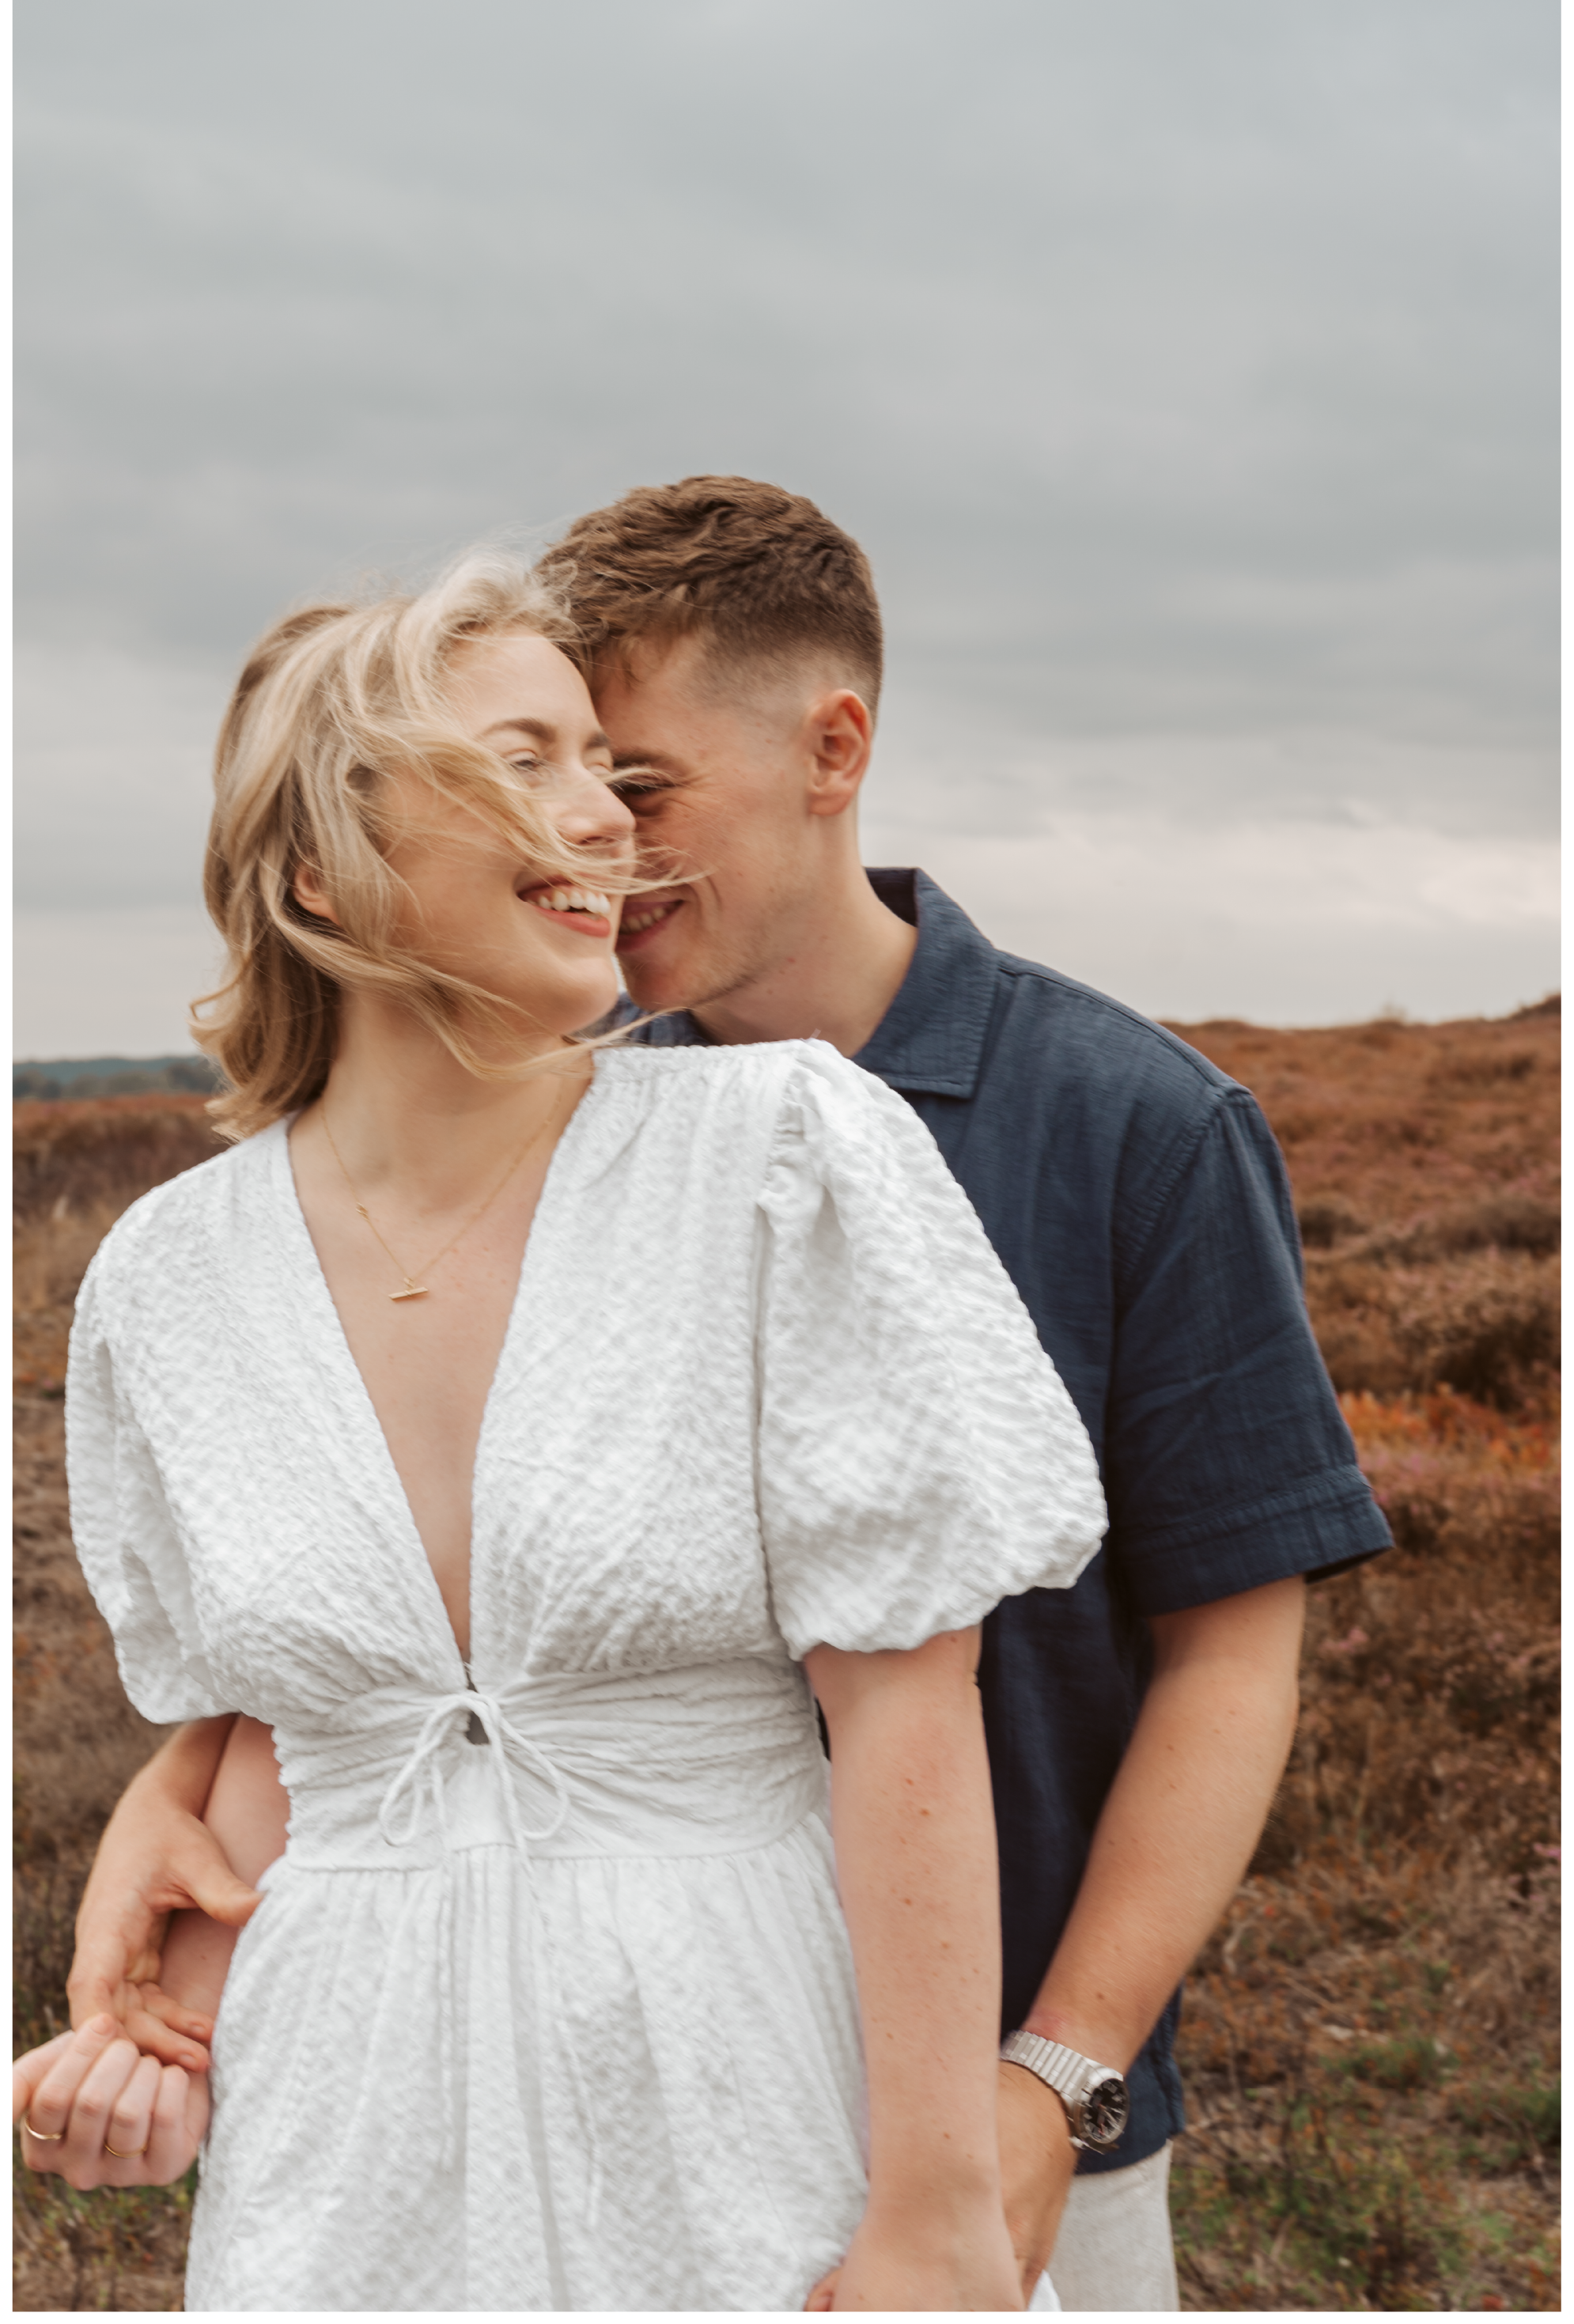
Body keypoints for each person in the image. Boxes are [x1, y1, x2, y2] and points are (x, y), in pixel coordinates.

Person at [37, 478, 1394, 2309]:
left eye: (633, 778)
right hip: (377, 2150)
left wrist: (1034, 2087)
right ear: (323, 860)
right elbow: (346, 1705)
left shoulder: (1085, 1131)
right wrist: (170, 1899)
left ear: (830, 752)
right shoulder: (213, 1261)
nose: (606, 825)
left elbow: (1217, 1656)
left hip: (959, 2074)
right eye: (553, 762)